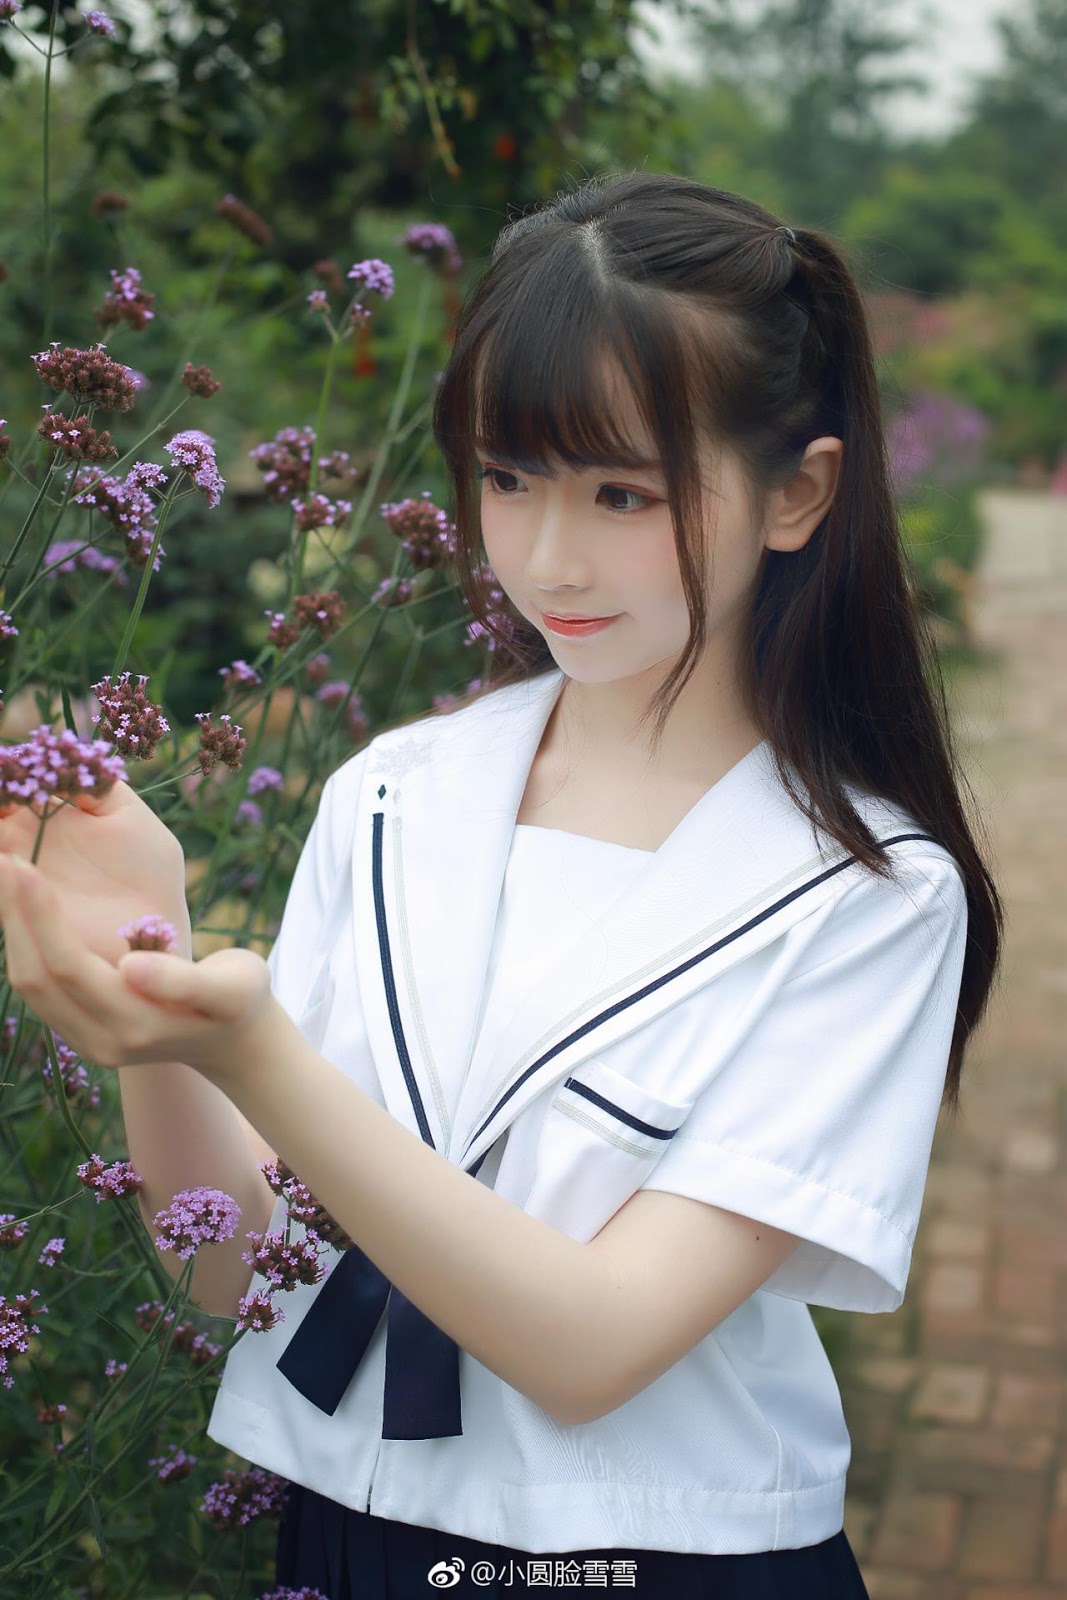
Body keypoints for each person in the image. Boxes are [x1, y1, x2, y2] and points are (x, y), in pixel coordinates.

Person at [0, 171, 1003, 1599]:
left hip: (660, 1562)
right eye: (509, 478)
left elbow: (590, 1345)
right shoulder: (397, 794)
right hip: (341, 1543)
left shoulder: (869, 897)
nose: (544, 555)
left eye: (620, 492)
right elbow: (240, 1274)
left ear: (799, 492)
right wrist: (157, 1005)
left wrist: (255, 1054)